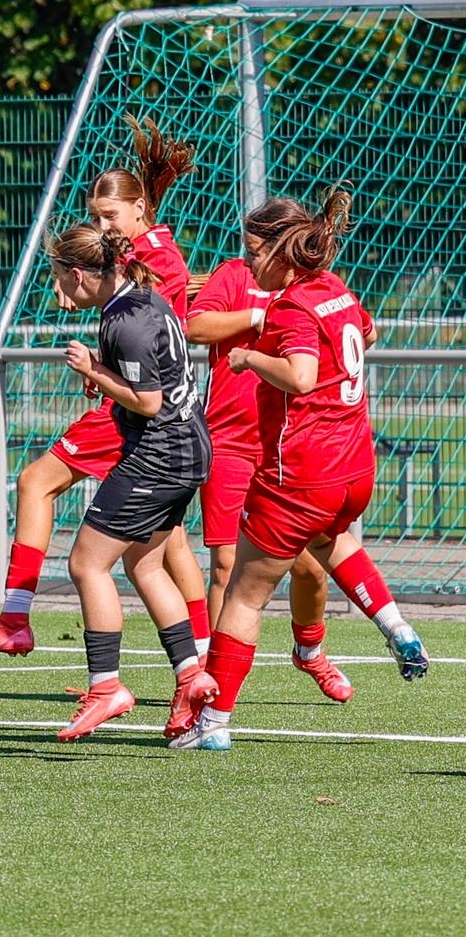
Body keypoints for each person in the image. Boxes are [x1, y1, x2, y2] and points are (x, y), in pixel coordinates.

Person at [0, 117, 210, 660]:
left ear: (139, 209)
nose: (101, 226)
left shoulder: (152, 259)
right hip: (163, 416)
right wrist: (106, 366)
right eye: (95, 216)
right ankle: (200, 657)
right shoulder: (147, 252)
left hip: (143, 417)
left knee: (36, 484)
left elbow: (150, 337)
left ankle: (15, 619)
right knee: (162, 546)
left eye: (109, 215)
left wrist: (101, 369)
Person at [173, 190, 429, 752]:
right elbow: (367, 333)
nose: (249, 264)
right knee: (329, 543)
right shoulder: (335, 288)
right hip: (353, 467)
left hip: (301, 471)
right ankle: (395, 626)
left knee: (243, 595)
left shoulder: (291, 307)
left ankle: (212, 724)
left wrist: (249, 358)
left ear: (280, 251)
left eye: (255, 252)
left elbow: (301, 376)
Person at [40, 225, 216, 742]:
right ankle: (190, 675)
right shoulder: (138, 298)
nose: (58, 290)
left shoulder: (126, 321)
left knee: (86, 563)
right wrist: (104, 373)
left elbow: (148, 401)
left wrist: (95, 370)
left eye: (58, 278)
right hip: (187, 448)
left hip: (160, 455)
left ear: (78, 274)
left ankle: (106, 687)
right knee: (145, 563)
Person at [187, 256, 354, 701]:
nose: (255, 254)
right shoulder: (235, 275)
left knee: (311, 569)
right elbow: (194, 327)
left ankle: (310, 650)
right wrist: (257, 316)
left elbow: (358, 333)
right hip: (229, 444)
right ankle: (214, 686)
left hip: (286, 448)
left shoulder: (317, 285)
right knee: (226, 568)